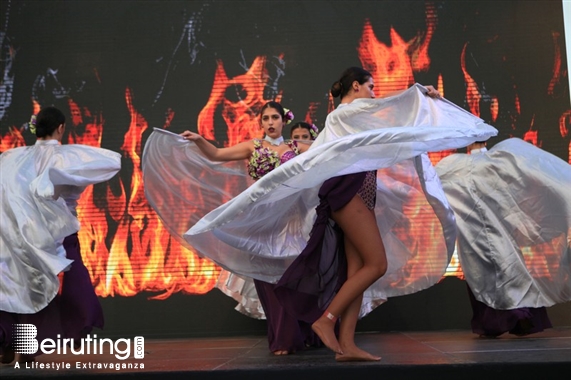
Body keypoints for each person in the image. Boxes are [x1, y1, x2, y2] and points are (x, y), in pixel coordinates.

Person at [184, 66, 497, 362]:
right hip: (351, 192)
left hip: (359, 192)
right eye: (371, 87)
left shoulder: (340, 119)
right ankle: (326, 320)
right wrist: (418, 94)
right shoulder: (350, 112)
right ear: (356, 86)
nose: (375, 93)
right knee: (377, 264)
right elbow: (395, 108)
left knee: (358, 270)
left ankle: (347, 344)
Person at [144, 101, 318, 355]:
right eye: (266, 118)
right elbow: (216, 155)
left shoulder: (297, 147)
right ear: (261, 123)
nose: (270, 122)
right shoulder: (253, 146)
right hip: (259, 220)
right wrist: (199, 139)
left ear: (284, 121)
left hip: (290, 219)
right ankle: (284, 338)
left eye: (275, 118)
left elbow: (329, 149)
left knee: (294, 279)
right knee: (266, 279)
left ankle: (304, 332)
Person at [0, 106, 121, 364]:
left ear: (36, 128)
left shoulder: (10, 157)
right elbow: (112, 162)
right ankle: (26, 349)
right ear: (61, 127)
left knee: (18, 292)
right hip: (57, 238)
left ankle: (12, 343)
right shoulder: (68, 158)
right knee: (52, 295)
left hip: (15, 237)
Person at [435, 138, 570, 338]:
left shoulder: (460, 166)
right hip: (492, 232)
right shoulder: (498, 162)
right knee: (502, 273)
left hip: (481, 233)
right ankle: (513, 319)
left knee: (487, 276)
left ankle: (511, 319)